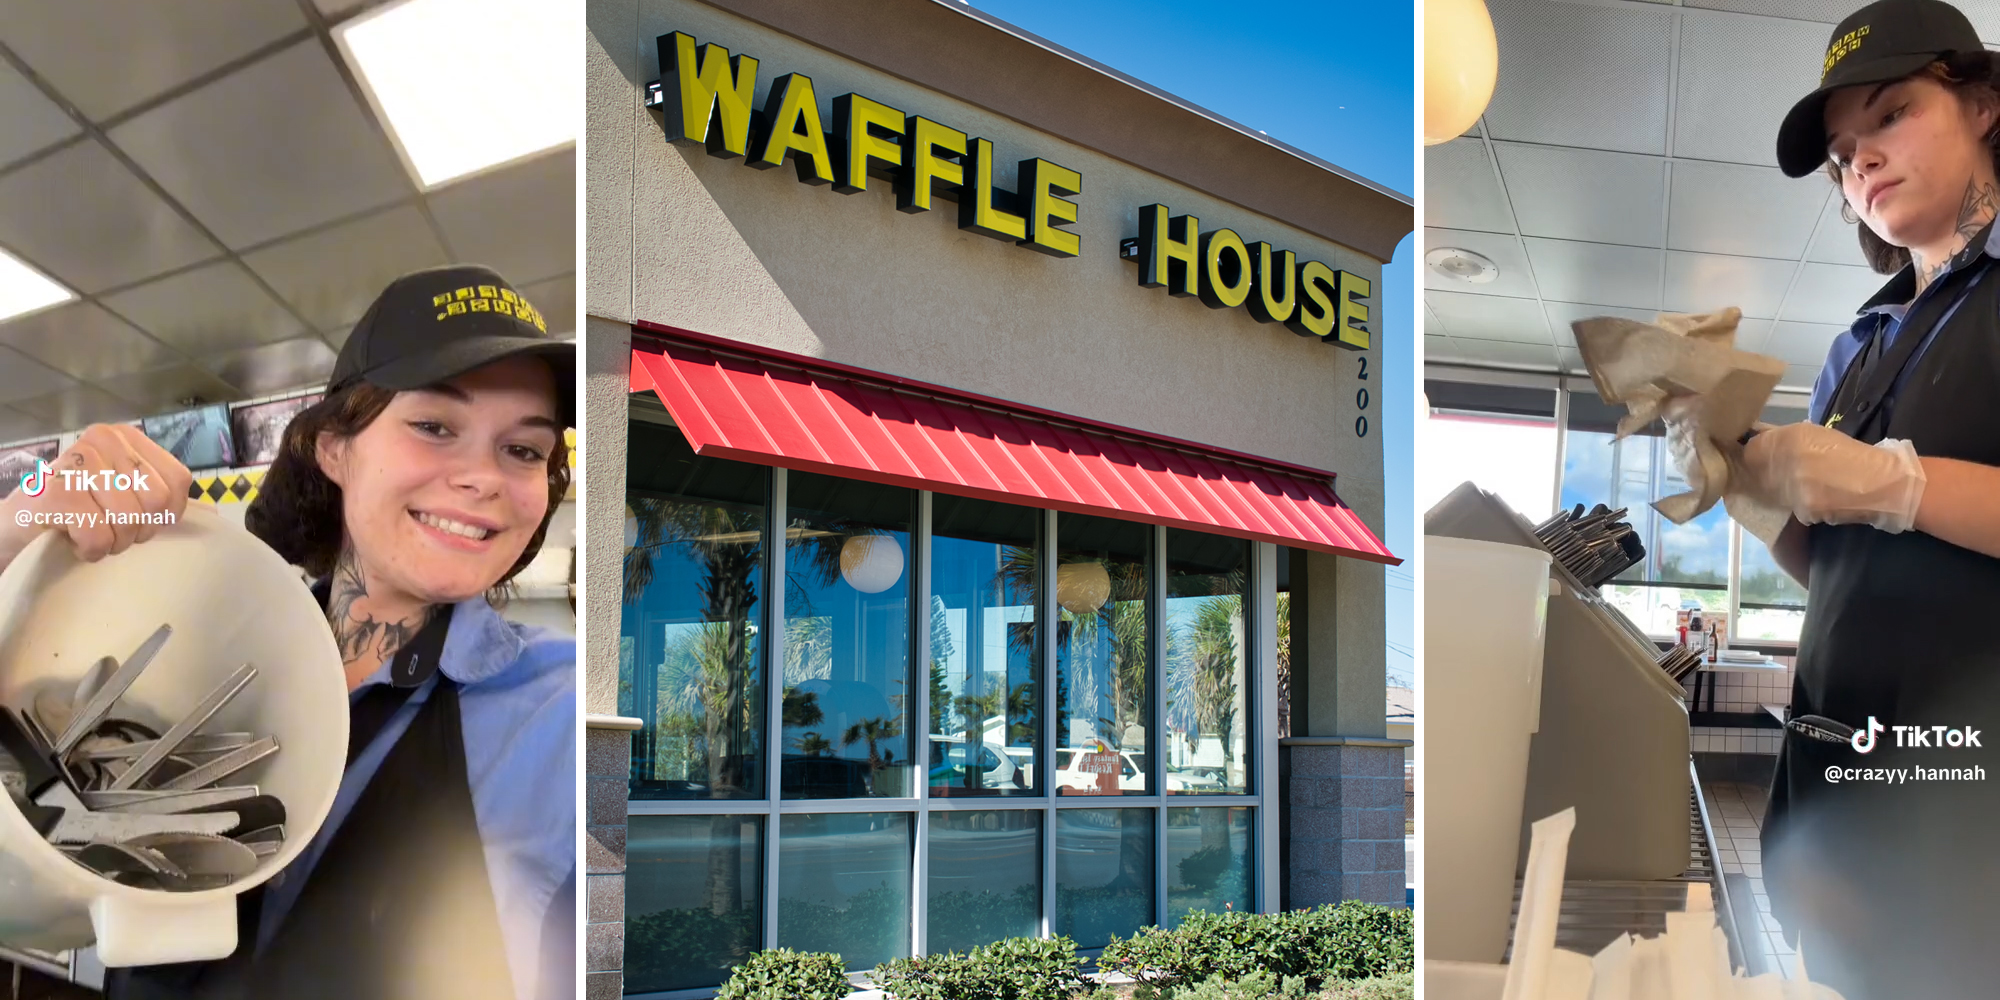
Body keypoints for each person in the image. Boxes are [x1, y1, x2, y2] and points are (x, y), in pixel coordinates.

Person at [0, 265, 575, 1000]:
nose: (485, 477)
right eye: (435, 426)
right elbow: (31, 906)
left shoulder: (555, 717)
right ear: (333, 448)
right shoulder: (195, 652)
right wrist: (19, 539)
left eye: (524, 449)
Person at [1743, 1, 2000, 994]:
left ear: (1980, 102)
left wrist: (1897, 484)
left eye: (1889, 115)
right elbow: (1832, 569)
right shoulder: (1859, 341)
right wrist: (1758, 499)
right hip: (1834, 783)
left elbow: (1891, 504)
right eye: (1843, 153)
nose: (1860, 163)